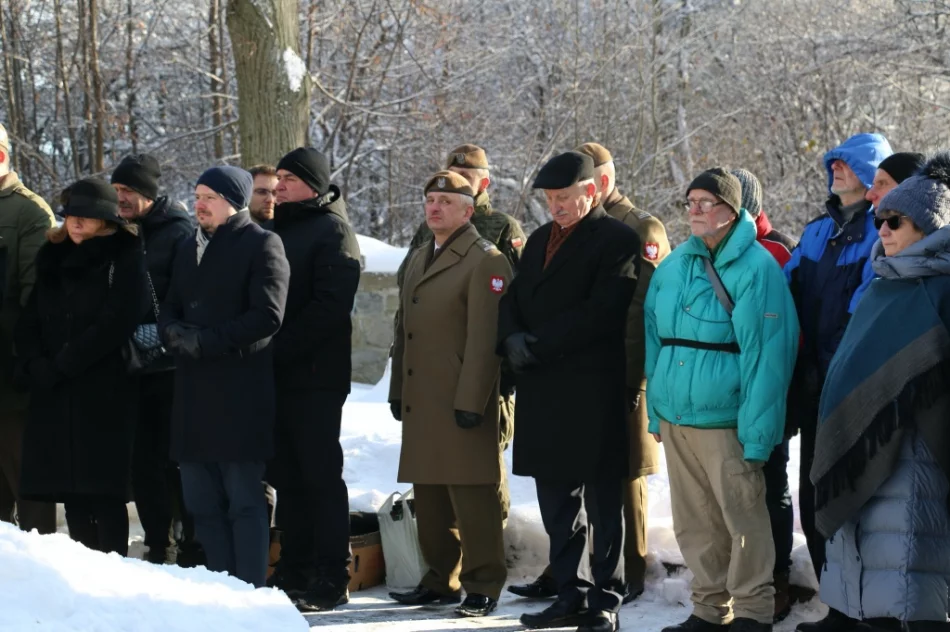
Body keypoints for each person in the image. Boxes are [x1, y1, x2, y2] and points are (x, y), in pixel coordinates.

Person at [508, 142, 670, 605]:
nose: (556, 206)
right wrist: (511, 337)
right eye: (549, 199)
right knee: (556, 503)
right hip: (543, 390)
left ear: (591, 191)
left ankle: (606, 594)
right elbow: (513, 298)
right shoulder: (539, 240)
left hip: (590, 387)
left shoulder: (618, 239)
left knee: (602, 501)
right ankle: (568, 592)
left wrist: (537, 344)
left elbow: (604, 311)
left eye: (564, 197)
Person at [798, 152, 950, 632]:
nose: (882, 227)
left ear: (930, 227)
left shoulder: (939, 288)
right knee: (879, 581)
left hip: (916, 460)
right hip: (870, 455)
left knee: (913, 583)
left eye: (896, 220)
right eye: (881, 218)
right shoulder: (887, 282)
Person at [646, 168, 799, 632]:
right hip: (677, 418)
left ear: (732, 211)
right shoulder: (675, 265)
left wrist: (758, 432)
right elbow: (655, 338)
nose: (693, 210)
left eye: (704, 202)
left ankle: (753, 611)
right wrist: (656, 409)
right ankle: (709, 610)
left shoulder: (758, 268)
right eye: (689, 201)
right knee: (696, 523)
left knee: (744, 521)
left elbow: (770, 358)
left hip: (727, 419)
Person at [388, 170, 512, 618]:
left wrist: (471, 401)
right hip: (424, 397)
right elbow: (405, 329)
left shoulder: (485, 260)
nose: (434, 207)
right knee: (432, 496)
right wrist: (398, 388)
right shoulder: (422, 255)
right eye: (429, 200)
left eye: (445, 200)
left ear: (468, 209)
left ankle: (483, 582)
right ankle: (440, 578)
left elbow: (486, 340)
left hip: (462, 398)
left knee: (472, 496)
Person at [159, 166, 289, 588]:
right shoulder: (185, 247)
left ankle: (250, 596)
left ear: (233, 201)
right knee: (201, 503)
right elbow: (170, 304)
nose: (199, 203)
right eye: (197, 195)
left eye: (210, 197)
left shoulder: (262, 243)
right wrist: (172, 332)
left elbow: (267, 316)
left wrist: (208, 341)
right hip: (192, 395)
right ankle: (220, 593)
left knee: (244, 502)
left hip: (239, 395)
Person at [784, 133, 892, 597]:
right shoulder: (815, 232)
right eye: (833, 161)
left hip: (851, 386)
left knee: (854, 495)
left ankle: (862, 602)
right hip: (810, 387)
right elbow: (782, 294)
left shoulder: (883, 231)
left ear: (872, 175)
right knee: (813, 493)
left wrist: (828, 369)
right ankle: (835, 599)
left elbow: (864, 315)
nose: (836, 168)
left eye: (847, 163)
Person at [15, 178, 148, 554]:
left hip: (104, 388)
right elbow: (32, 318)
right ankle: (84, 569)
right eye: (71, 215)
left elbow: (117, 321)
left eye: (84, 216)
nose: (74, 222)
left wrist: (65, 363)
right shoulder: (52, 257)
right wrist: (35, 362)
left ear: (105, 221)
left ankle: (112, 567)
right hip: (55, 390)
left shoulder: (123, 256)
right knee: (70, 490)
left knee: (104, 490)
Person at [266, 147, 361, 611]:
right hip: (277, 377)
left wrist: (278, 349)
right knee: (287, 476)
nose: (279, 184)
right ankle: (294, 566)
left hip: (316, 378)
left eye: (288, 178)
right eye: (278, 177)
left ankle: (331, 572)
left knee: (320, 476)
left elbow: (329, 307)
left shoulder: (333, 232)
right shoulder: (273, 229)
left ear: (313, 185)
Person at [111, 153, 195, 565]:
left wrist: (159, 330)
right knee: (142, 463)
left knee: (173, 461)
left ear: (146, 191)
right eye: (116, 191)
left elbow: (188, 295)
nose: (120, 197)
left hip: (171, 366)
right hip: (132, 365)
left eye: (127, 190)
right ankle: (158, 543)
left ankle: (185, 540)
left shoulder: (179, 232)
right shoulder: (125, 232)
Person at [730, 168, 798, 621]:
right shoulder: (710, 249)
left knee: (772, 480)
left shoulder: (778, 250)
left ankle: (779, 578)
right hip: (724, 387)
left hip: (772, 386)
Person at [0, 123, 57, 535]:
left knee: (26, 481)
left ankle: (40, 579)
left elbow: (34, 295)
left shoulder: (29, 211)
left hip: (11, 373)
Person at [396, 144, 526, 288]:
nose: (456, 183)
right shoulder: (430, 225)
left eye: (465, 177)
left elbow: (524, 283)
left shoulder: (503, 226)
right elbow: (405, 279)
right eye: (452, 175)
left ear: (483, 184)